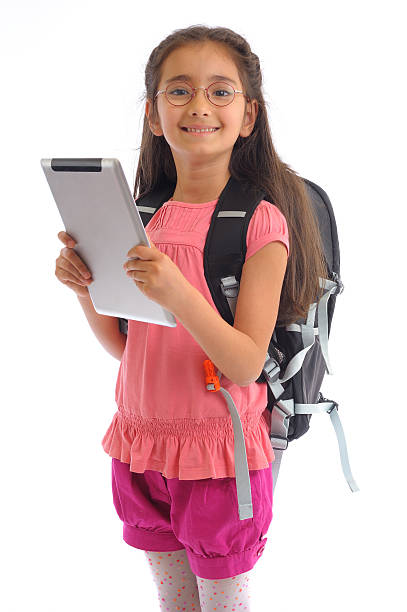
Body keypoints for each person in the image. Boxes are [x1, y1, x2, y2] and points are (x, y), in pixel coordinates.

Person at [55, 24, 327, 612]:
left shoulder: (259, 223)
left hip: (217, 458)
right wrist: (85, 288)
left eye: (220, 92)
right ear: (153, 115)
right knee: (175, 604)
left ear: (248, 117)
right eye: (178, 91)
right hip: (141, 443)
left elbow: (244, 361)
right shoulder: (142, 214)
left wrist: (178, 293)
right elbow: (129, 347)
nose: (198, 105)